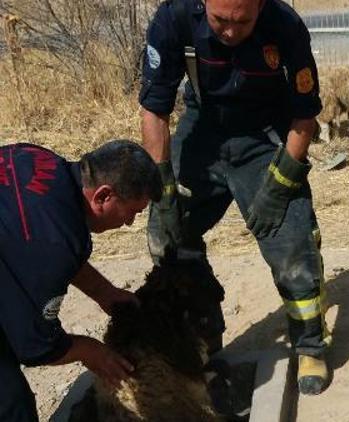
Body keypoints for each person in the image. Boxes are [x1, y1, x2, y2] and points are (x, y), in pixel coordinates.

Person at [139, 0, 330, 395]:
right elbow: (154, 112)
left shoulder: (285, 25)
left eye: (241, 22)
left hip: (264, 132)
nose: (229, 31)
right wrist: (165, 190)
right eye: (220, 20)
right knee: (167, 236)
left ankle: (310, 343)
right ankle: (202, 336)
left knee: (293, 244)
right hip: (203, 127)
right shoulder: (174, 18)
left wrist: (279, 185)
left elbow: (304, 117)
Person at [0, 140, 162, 421]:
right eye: (133, 212)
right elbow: (34, 345)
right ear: (103, 196)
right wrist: (90, 351)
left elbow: (34, 246)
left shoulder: (38, 158)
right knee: (12, 409)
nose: (130, 224)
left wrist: (104, 291)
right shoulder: (54, 243)